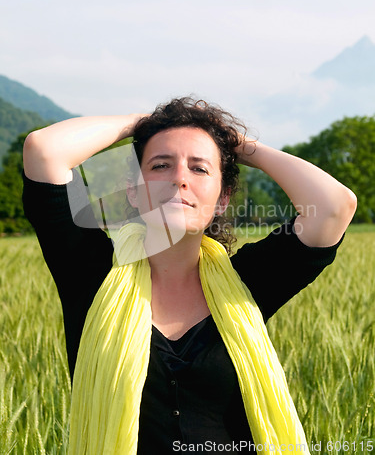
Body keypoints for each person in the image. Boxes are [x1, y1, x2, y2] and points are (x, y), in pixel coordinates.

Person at [22, 97, 357, 455]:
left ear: (223, 198)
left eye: (199, 169)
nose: (180, 178)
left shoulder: (247, 284)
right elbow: (44, 150)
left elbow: (334, 206)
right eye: (161, 165)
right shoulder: (91, 273)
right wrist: (147, 123)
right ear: (134, 191)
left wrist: (239, 146)